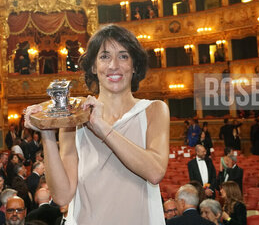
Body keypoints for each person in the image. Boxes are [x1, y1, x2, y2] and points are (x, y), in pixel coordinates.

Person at [24, 24, 170, 224]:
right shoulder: (74, 117)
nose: (113, 65)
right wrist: (47, 132)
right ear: (93, 66)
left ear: (135, 65)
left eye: (123, 56)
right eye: (104, 56)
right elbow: (62, 196)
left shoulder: (154, 110)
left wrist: (102, 127)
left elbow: (154, 172)